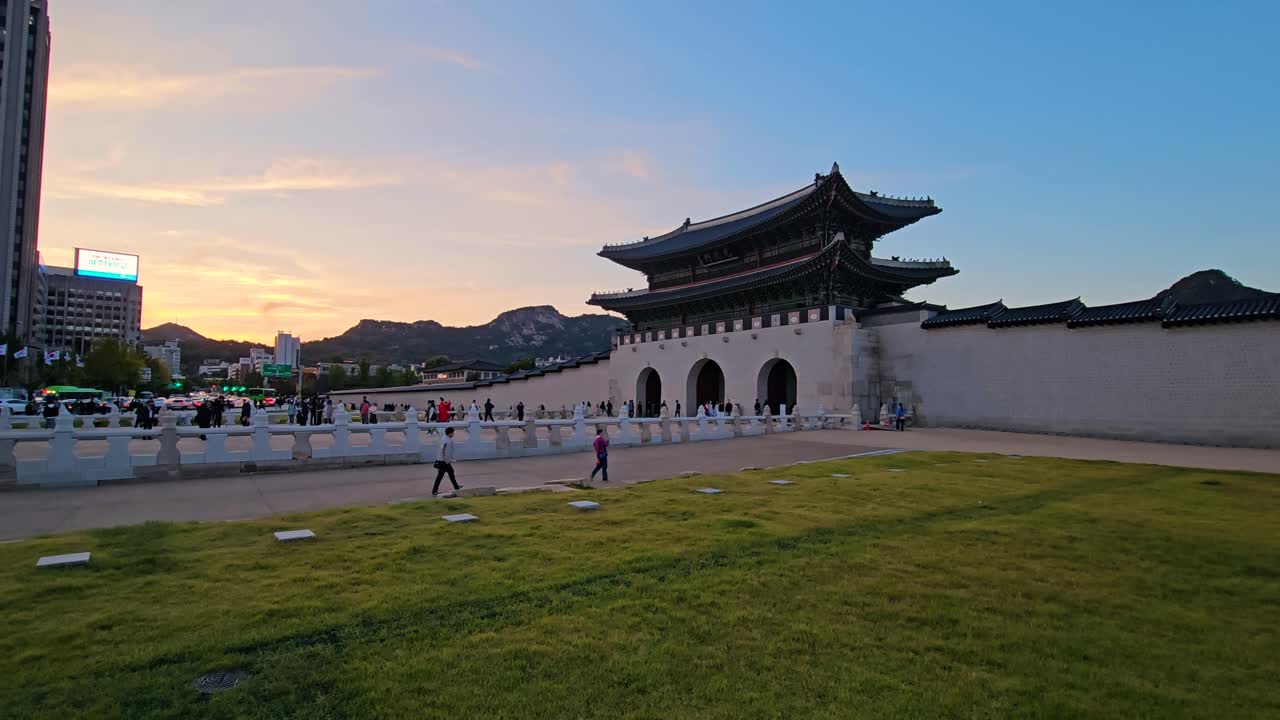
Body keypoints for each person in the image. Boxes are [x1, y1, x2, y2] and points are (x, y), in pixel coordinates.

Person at [431, 427, 461, 496]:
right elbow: (446, 452)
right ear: (450, 433)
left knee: (450, 472)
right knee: (441, 476)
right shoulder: (447, 441)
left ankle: (456, 486)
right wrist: (447, 461)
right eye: (453, 432)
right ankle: (434, 491)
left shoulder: (445, 438)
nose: (453, 434)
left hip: (442, 460)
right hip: (444, 461)